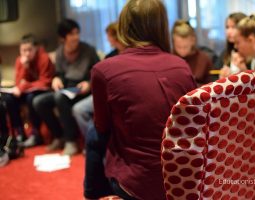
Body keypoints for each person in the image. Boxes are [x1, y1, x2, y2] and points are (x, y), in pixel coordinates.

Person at [84, 0, 197, 199]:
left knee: (94, 134)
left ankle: (92, 195)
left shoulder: (103, 70)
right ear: (161, 26)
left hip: (135, 185)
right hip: (183, 178)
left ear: (124, 27)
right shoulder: (182, 66)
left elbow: (102, 127)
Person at [33, 19, 99, 155]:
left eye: (77, 33)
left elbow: (99, 73)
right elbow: (58, 74)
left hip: (83, 90)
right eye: (72, 34)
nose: (77, 37)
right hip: (66, 90)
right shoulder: (59, 52)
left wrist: (89, 83)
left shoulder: (88, 50)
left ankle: (71, 141)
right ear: (63, 38)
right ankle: (60, 136)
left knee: (59, 97)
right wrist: (56, 79)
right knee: (38, 102)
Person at [72, 22, 125, 138]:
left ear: (116, 36)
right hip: (106, 94)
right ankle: (93, 140)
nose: (107, 39)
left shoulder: (131, 54)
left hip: (122, 94)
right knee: (78, 109)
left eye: (109, 36)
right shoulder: (110, 56)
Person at [1, 34, 54, 146]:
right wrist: (24, 67)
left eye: (29, 50)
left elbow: (45, 82)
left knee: (31, 98)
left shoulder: (44, 58)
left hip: (41, 91)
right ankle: (20, 132)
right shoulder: (19, 60)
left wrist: (24, 86)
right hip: (26, 91)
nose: (27, 53)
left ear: (36, 48)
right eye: (23, 50)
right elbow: (18, 82)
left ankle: (36, 133)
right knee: (9, 99)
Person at [172, 19, 212, 86]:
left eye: (185, 47)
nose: (182, 50)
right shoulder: (169, 59)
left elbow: (210, 86)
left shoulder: (204, 59)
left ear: (192, 41)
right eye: (178, 47)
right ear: (173, 43)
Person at [216, 12, 248, 78]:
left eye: (234, 27)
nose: (229, 31)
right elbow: (213, 76)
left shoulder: (251, 52)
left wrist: (245, 70)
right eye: (227, 27)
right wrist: (221, 78)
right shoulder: (225, 53)